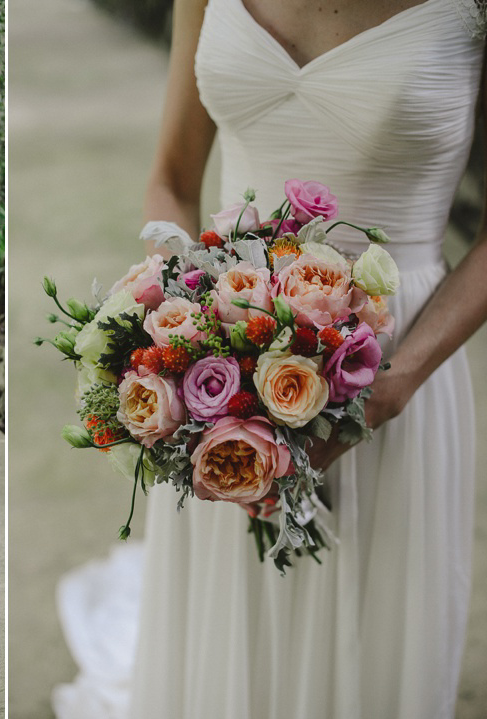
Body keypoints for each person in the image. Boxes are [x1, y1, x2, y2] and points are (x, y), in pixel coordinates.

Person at [54, 0, 486, 717]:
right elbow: (172, 176)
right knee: (230, 626)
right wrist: (183, 312)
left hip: (394, 356)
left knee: (370, 627)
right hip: (221, 359)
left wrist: (393, 386)